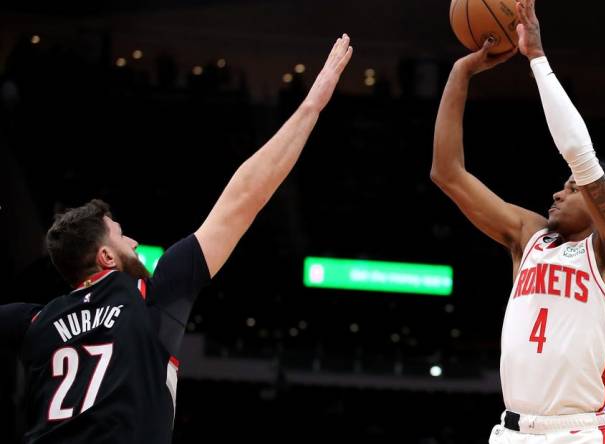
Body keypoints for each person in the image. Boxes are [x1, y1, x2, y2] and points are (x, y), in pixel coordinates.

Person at [0, 34, 353, 444]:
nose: (132, 242)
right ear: (105, 257)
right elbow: (243, 198)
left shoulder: (36, 320)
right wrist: (311, 107)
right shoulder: (149, 292)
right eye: (120, 235)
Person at [431, 1, 605, 442]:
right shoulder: (530, 237)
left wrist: (537, 60)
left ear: (599, 200)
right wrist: (460, 74)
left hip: (576, 433)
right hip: (510, 430)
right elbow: (447, 172)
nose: (558, 192)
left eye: (572, 188)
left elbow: (579, 155)